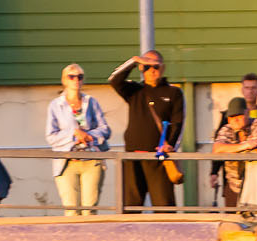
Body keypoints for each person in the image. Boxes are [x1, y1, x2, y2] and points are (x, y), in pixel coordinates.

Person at [107, 50, 185, 211]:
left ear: (163, 68)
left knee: (165, 208)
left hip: (159, 158)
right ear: (142, 68)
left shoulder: (174, 92)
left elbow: (178, 122)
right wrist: (133, 61)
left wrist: (170, 144)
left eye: (156, 66)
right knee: (130, 208)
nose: (152, 70)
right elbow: (114, 80)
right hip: (133, 157)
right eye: (148, 66)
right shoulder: (135, 90)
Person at [46, 62, 112, 214]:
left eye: (80, 77)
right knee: (71, 210)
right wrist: (73, 134)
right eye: (72, 77)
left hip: (91, 160)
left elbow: (105, 129)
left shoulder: (91, 102)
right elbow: (51, 136)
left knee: (90, 210)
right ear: (64, 80)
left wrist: (89, 136)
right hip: (67, 162)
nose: (76, 80)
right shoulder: (56, 105)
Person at [211, 97, 257, 208]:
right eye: (231, 117)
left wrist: (253, 147)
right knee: (233, 223)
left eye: (239, 115)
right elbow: (217, 149)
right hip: (234, 185)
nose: (235, 120)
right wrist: (246, 145)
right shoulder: (226, 129)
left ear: (247, 113)